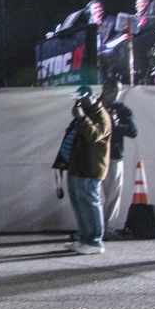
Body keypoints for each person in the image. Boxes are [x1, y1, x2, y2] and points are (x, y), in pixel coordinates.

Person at [56, 85, 111, 255]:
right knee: (79, 204)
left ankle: (95, 241)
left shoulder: (100, 115)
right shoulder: (86, 114)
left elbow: (95, 136)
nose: (78, 102)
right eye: (76, 100)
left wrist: (82, 119)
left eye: (81, 99)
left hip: (90, 168)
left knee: (90, 203)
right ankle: (85, 237)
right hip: (78, 167)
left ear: (91, 98)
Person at [99, 80, 137, 239]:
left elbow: (133, 132)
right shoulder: (96, 107)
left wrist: (116, 126)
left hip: (114, 156)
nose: (114, 93)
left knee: (113, 194)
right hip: (96, 155)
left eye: (117, 90)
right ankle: (95, 227)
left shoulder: (122, 110)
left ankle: (108, 228)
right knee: (95, 194)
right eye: (111, 89)